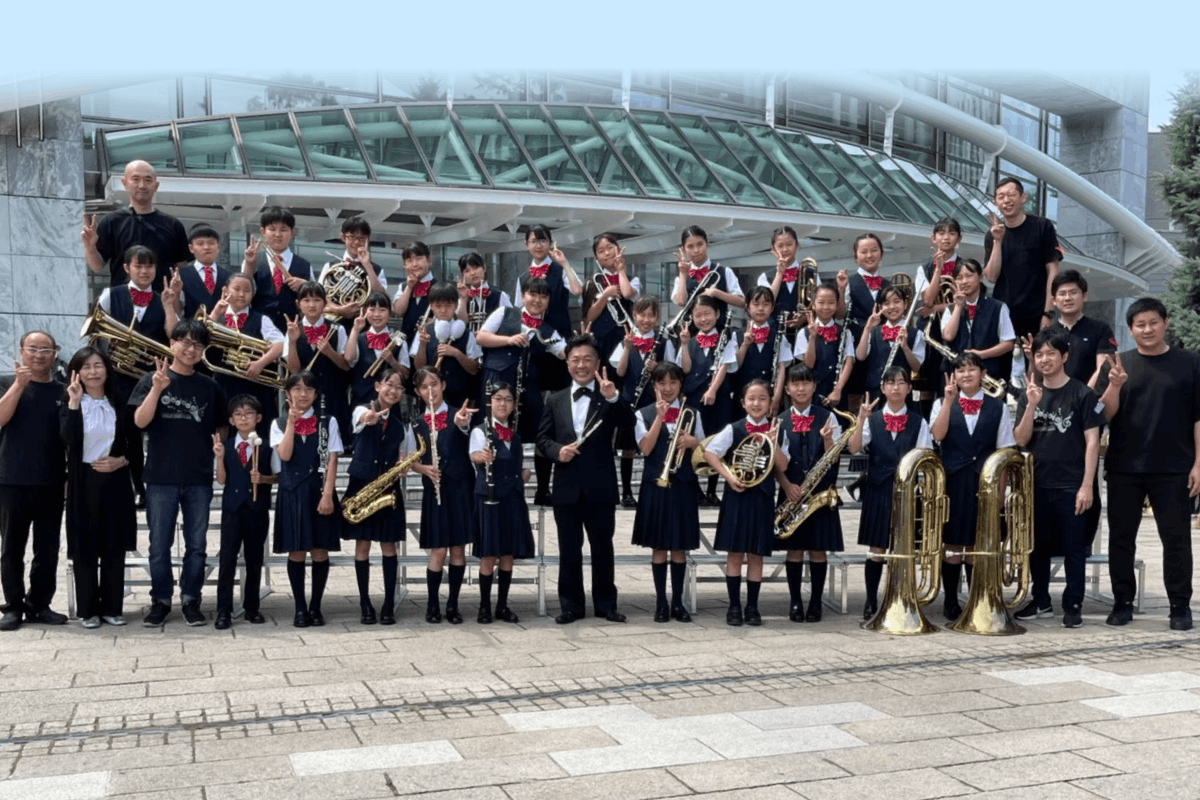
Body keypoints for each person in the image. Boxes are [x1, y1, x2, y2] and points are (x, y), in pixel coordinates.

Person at [1098, 297, 1200, 631]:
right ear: (1130, 330)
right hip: (1125, 466)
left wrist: (1198, 464)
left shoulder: (1190, 363)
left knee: (1177, 539)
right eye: (1139, 325)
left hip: (1174, 467)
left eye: (1153, 322)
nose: (1147, 329)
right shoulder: (1117, 363)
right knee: (1121, 539)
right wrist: (1114, 384)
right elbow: (1105, 415)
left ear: (1165, 322)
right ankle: (1122, 602)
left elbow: (1199, 418)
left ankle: (1180, 606)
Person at [130, 320, 226, 627]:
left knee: (197, 545)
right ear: (172, 343)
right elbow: (140, 422)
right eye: (184, 341)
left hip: (198, 476)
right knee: (159, 545)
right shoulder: (152, 378)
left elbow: (222, 423)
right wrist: (157, 389)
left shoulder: (209, 386)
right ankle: (160, 600)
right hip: (160, 477)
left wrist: (218, 444)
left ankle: (190, 599)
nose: (191, 349)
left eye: (198, 344)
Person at [537, 333, 634, 624]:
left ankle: (606, 604)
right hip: (566, 487)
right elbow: (542, 439)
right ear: (567, 364)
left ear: (597, 363)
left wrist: (614, 398)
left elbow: (628, 426)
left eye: (587, 359)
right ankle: (571, 605)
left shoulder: (609, 395)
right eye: (575, 360)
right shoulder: (554, 400)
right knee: (569, 549)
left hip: (601, 486)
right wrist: (557, 451)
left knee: (603, 547)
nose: (581, 365)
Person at [1014, 330, 1103, 628]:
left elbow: (1093, 442)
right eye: (1039, 354)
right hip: (1036, 485)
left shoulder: (1082, 394)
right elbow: (1021, 438)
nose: (1045, 359)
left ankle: (1073, 604)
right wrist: (1031, 405)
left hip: (1071, 484)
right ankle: (1040, 600)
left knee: (1074, 548)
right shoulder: (1030, 393)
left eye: (1051, 353)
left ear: (1064, 356)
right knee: (1035, 547)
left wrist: (1087, 485)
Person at [929, 353, 1015, 621]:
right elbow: (937, 435)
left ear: (982, 373)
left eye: (972, 369)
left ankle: (977, 597)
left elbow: (1004, 450)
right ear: (954, 375)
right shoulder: (941, 402)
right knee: (953, 543)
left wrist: (1001, 494)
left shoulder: (997, 407)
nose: (966, 374)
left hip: (985, 482)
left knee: (977, 541)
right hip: (953, 480)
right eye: (961, 370)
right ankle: (951, 599)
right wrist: (949, 402)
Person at [60, 347, 139, 629]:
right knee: (85, 546)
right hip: (84, 479)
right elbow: (67, 441)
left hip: (115, 479)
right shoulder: (70, 401)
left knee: (113, 545)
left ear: (107, 369)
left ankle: (113, 608)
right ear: (77, 373)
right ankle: (88, 610)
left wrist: (123, 461)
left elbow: (133, 443)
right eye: (86, 367)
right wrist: (73, 403)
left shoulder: (118, 401)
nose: (93, 372)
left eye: (98, 365)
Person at [848, 367, 933, 620]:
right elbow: (853, 449)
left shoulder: (920, 422)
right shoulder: (872, 419)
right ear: (883, 388)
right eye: (890, 383)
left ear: (909, 388)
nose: (896, 387)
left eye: (901, 382)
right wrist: (861, 418)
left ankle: (902, 595)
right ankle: (871, 599)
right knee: (877, 548)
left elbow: (926, 458)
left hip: (907, 492)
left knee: (904, 545)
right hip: (877, 489)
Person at [475, 278, 567, 505]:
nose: (537, 300)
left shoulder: (548, 329)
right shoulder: (505, 312)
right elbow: (481, 337)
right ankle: (487, 485)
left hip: (527, 389)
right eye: (532, 294)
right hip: (497, 380)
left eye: (543, 296)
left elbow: (565, 353)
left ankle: (543, 490)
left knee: (543, 433)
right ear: (523, 295)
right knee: (491, 432)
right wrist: (508, 339)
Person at [704, 380, 786, 626]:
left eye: (762, 398)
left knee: (756, 554)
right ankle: (733, 606)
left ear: (770, 403)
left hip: (761, 498)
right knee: (734, 554)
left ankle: (752, 606)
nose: (756, 403)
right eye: (751, 398)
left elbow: (782, 466)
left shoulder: (775, 430)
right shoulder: (734, 428)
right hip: (737, 497)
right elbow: (709, 453)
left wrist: (774, 443)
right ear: (742, 403)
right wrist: (728, 476)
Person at [0, 332, 67, 632]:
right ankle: (13, 606)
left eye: (46, 350)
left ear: (55, 354)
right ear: (21, 352)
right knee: (12, 547)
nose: (39, 355)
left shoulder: (63, 391)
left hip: (51, 481)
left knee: (48, 548)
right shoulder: (7, 384)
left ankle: (39, 604)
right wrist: (18, 385)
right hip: (12, 480)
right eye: (33, 349)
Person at [632, 362, 703, 623]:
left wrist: (695, 443)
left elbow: (704, 454)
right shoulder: (644, 414)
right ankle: (661, 602)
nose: (668, 388)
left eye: (673, 382)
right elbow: (646, 449)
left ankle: (677, 603)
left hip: (683, 484)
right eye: (662, 383)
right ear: (654, 386)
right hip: (655, 485)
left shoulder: (692, 413)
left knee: (680, 547)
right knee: (659, 547)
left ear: (680, 385)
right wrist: (660, 417)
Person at [272, 371, 342, 628]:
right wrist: (291, 422)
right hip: (292, 492)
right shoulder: (277, 423)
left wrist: (327, 495)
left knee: (320, 550)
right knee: (297, 550)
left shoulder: (328, 421)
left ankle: (316, 606)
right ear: (287, 393)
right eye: (297, 389)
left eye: (309, 389)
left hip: (319, 491)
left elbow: (333, 459)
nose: (303, 394)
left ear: (315, 394)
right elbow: (286, 456)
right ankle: (300, 607)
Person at [774, 364, 843, 623]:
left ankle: (815, 602)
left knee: (817, 550)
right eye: (795, 383)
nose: (801, 388)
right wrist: (785, 485)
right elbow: (774, 462)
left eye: (806, 383)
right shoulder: (779, 420)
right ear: (788, 389)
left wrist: (827, 440)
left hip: (820, 492)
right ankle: (795, 602)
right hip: (791, 492)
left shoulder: (829, 417)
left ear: (814, 386)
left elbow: (834, 459)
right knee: (794, 549)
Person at [342, 368, 412, 626]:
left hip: (387, 488)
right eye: (389, 384)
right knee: (362, 545)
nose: (393, 390)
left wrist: (403, 466)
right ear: (377, 386)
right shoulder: (361, 410)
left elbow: (403, 456)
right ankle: (364, 603)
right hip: (362, 485)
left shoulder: (400, 426)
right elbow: (363, 419)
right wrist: (370, 417)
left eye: (399, 387)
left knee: (388, 546)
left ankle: (387, 605)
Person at [411, 368, 476, 624]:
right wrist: (422, 468)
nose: (431, 390)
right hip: (434, 491)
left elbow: (465, 430)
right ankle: (432, 604)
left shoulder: (457, 414)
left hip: (459, 489)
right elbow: (408, 459)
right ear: (417, 392)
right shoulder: (415, 423)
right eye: (424, 386)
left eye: (435, 384)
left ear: (443, 385)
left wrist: (462, 424)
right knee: (438, 550)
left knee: (458, 549)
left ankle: (453, 604)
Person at [469, 383, 533, 624]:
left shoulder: (515, 436)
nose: (503, 403)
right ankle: (484, 607)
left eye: (507, 399)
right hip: (489, 499)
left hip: (512, 499)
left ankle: (502, 606)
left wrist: (524, 474)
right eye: (498, 399)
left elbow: (515, 466)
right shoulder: (480, 431)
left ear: (514, 405)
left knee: (508, 554)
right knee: (489, 554)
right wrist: (482, 457)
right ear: (490, 402)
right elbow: (474, 455)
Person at [212, 395, 274, 630]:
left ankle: (252, 607)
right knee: (227, 559)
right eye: (238, 414)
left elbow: (277, 476)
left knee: (254, 559)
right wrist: (218, 459)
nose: (243, 418)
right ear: (231, 420)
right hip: (232, 509)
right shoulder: (225, 447)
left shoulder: (267, 446)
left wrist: (263, 479)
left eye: (249, 413)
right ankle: (223, 610)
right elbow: (221, 480)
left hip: (256, 509)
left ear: (258, 418)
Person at [611, 296, 678, 507]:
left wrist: (657, 367)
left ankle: (656, 488)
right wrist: (628, 348)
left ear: (657, 317)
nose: (646, 319)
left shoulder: (664, 341)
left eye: (651, 315)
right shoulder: (627, 340)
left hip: (654, 403)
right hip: (630, 401)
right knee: (628, 448)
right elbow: (620, 371)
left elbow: (672, 371)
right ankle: (627, 493)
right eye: (642, 314)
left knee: (656, 444)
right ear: (634, 316)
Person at [81, 160, 189, 290]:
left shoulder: (173, 225)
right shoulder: (111, 222)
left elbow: (181, 267)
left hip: (161, 303)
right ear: (124, 183)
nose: (142, 185)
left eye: (148, 180)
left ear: (156, 185)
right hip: (122, 302)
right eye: (135, 179)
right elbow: (96, 266)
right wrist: (89, 247)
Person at [207, 273, 285, 438]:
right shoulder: (215, 316)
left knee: (259, 436)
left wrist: (260, 363)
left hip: (254, 387)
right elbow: (200, 338)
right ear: (225, 290)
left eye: (247, 290)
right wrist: (215, 314)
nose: (242, 294)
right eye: (236, 289)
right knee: (224, 434)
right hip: (223, 385)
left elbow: (280, 344)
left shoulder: (261, 319)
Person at [983, 177, 1060, 340]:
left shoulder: (1042, 226)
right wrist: (997, 240)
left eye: (1011, 195)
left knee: (1038, 363)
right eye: (1001, 196)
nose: (1006, 200)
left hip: (1036, 313)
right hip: (1003, 314)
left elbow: (1053, 271)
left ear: (1023, 197)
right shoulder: (992, 236)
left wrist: (1048, 312)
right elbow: (991, 277)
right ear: (995, 202)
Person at [683, 296, 738, 506]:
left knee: (717, 442)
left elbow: (724, 365)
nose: (703, 319)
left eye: (707, 314)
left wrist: (713, 390)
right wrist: (684, 344)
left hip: (719, 397)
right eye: (698, 315)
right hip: (694, 399)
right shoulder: (690, 339)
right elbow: (686, 369)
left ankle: (713, 490)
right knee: (693, 441)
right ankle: (696, 489)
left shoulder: (726, 336)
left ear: (717, 314)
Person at [283, 282, 350, 450]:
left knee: (333, 440)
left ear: (325, 303)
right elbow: (293, 369)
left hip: (333, 392)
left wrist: (330, 352)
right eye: (306, 300)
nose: (311, 305)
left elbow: (346, 366)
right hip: (303, 394)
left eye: (316, 300)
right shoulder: (292, 329)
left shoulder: (337, 328)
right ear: (298, 304)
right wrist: (292, 341)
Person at [941, 259, 1016, 385]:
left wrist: (983, 354)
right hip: (957, 379)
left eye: (969, 276)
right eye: (959, 278)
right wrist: (958, 306)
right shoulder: (951, 309)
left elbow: (1008, 343)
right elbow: (948, 336)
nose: (964, 281)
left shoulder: (998, 307)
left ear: (980, 276)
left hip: (990, 376)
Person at [915, 218, 963, 414]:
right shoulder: (924, 267)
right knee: (926, 384)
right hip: (930, 332)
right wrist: (938, 269)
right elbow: (926, 299)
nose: (946, 237)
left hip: (957, 328)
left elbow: (966, 301)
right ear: (933, 238)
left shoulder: (965, 267)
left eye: (951, 233)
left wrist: (937, 308)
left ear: (959, 238)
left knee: (951, 380)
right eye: (941, 233)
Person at [838, 233, 889, 412]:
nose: (869, 255)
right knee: (854, 395)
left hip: (882, 346)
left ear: (881, 253)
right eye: (864, 251)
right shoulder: (848, 282)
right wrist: (841, 289)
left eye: (874, 250)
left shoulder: (889, 285)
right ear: (855, 256)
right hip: (855, 344)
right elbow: (840, 313)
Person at [242, 206, 315, 330]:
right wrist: (249, 264)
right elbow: (243, 292)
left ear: (292, 232)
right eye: (272, 229)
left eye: (284, 229)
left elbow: (317, 298)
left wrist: (304, 286)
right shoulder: (252, 260)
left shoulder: (305, 265)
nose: (278, 234)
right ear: (263, 231)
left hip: (294, 329)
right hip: (259, 329)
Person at [411, 283, 482, 409]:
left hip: (459, 398)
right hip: (430, 398)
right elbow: (419, 368)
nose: (443, 310)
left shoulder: (466, 333)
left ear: (456, 305)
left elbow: (474, 369)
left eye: (448, 305)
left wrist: (456, 353)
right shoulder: (424, 331)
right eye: (438, 306)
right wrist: (422, 345)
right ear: (431, 306)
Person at [344, 292, 411, 419]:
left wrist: (392, 361)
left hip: (391, 402)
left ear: (390, 313)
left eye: (382, 310)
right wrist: (355, 329)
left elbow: (406, 374)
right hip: (362, 402)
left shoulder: (398, 340)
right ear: (364, 311)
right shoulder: (358, 338)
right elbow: (348, 359)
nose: (377, 314)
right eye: (372, 309)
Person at [758, 226, 833, 338]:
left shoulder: (810, 273)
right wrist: (779, 273)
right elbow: (766, 302)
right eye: (780, 246)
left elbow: (820, 302)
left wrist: (804, 317)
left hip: (805, 333)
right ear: (773, 249)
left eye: (789, 244)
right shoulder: (765, 276)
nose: (785, 250)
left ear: (797, 245)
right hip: (774, 333)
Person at [513, 225, 583, 343]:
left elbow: (577, 291)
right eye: (534, 241)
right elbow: (518, 309)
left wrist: (564, 263)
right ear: (527, 245)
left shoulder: (561, 270)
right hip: (532, 337)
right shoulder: (522, 278)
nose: (539, 246)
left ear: (550, 243)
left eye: (543, 241)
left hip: (560, 336)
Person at [672, 225, 745, 333]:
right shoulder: (682, 276)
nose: (696, 250)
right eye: (690, 246)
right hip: (691, 338)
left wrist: (716, 293)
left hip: (720, 335)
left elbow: (742, 302)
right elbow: (681, 302)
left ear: (707, 244)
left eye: (700, 244)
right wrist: (682, 274)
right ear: (683, 250)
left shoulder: (724, 271)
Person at [856, 285, 925, 399]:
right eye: (886, 303)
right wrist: (867, 328)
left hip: (902, 394)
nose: (892, 307)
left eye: (897, 302)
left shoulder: (916, 334)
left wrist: (905, 347)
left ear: (905, 304)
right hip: (875, 392)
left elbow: (916, 368)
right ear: (880, 307)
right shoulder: (873, 331)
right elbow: (860, 356)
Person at [582, 232, 640, 367]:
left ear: (618, 249)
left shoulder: (633, 279)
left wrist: (621, 270)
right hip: (600, 339)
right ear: (596, 258)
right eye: (601, 251)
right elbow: (588, 317)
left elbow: (627, 294)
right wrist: (604, 296)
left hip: (624, 338)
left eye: (610, 248)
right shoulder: (591, 283)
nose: (607, 253)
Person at [735, 286, 793, 417]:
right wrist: (744, 345)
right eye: (756, 304)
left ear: (772, 308)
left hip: (769, 397)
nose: (761, 308)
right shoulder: (737, 335)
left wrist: (777, 397)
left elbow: (781, 368)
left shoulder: (779, 336)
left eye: (766, 304)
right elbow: (735, 365)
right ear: (747, 307)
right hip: (743, 396)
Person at [796, 284, 854, 407]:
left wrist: (837, 390)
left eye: (831, 303)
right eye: (821, 302)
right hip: (813, 392)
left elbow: (848, 362)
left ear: (837, 305)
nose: (826, 307)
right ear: (813, 304)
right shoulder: (803, 332)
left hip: (838, 391)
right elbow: (809, 364)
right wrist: (812, 336)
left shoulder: (845, 332)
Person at [324, 217, 387, 321]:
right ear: (343, 237)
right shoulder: (330, 266)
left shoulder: (376, 269)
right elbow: (320, 296)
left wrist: (367, 265)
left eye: (362, 238)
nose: (357, 242)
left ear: (368, 239)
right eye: (352, 237)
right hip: (334, 321)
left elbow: (381, 297)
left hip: (364, 324)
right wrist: (340, 309)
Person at [177, 223, 231, 320]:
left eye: (211, 243)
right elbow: (177, 310)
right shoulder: (181, 275)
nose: (206, 247)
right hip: (191, 331)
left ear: (218, 247)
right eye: (200, 244)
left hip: (222, 331)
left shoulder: (229, 276)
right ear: (191, 248)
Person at [456, 251, 511, 333]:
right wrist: (463, 299)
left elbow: (510, 321)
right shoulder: (461, 298)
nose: (473, 273)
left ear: (484, 268)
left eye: (476, 268)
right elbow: (461, 325)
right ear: (462, 275)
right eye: (467, 271)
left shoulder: (500, 295)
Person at [392, 241, 435, 342]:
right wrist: (409, 287)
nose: (415, 264)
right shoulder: (403, 286)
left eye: (419, 259)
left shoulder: (439, 287)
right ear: (404, 265)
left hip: (429, 341)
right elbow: (398, 311)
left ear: (429, 260)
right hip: (406, 341)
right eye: (410, 261)